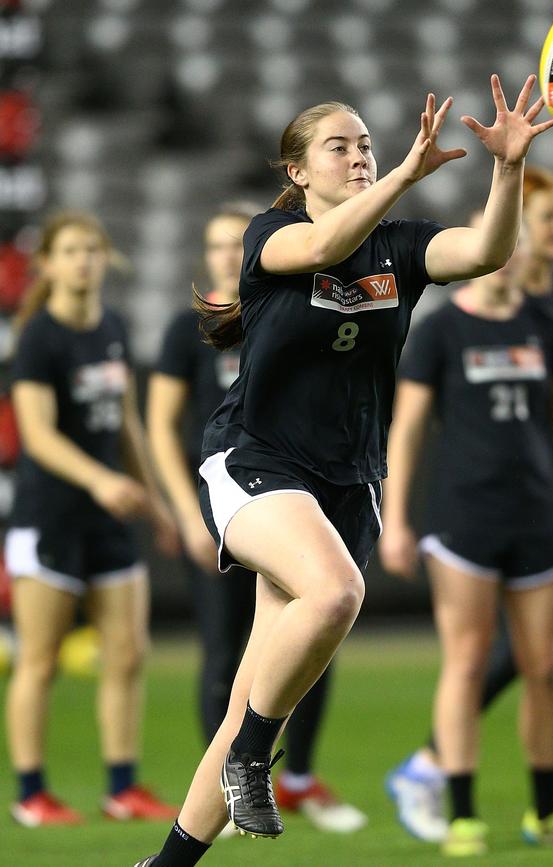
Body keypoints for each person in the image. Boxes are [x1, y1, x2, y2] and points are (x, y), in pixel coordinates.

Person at [134, 72, 553, 867]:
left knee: (248, 698)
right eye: (341, 146)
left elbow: (486, 250)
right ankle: (252, 760)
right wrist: (403, 171)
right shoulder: (270, 233)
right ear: (297, 171)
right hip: (256, 459)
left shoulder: (400, 246)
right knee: (335, 593)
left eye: (366, 144)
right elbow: (325, 246)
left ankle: (165, 862)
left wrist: (508, 169)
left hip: (347, 483)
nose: (359, 155)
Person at [384, 166, 553, 846]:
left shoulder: (544, 323)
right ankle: (462, 810)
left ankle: (546, 808)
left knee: (545, 666)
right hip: (465, 518)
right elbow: (406, 429)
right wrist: (397, 516)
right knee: (466, 663)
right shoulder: (438, 330)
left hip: (539, 516)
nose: (516, 248)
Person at [147, 201, 367, 833]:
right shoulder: (191, 326)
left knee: (308, 635)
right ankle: (240, 767)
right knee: (229, 651)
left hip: (304, 487)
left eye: (231, 242)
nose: (225, 253)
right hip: (239, 490)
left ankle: (283, 773)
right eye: (217, 245)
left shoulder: (294, 305)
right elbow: (162, 423)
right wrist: (189, 512)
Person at [5, 211, 180, 826]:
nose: (84, 260)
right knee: (40, 660)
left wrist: (153, 499)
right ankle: (31, 793)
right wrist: (101, 480)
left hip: (112, 519)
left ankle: (122, 787)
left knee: (129, 652)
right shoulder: (39, 339)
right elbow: (38, 436)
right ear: (48, 264)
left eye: (93, 250)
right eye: (71, 251)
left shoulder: (112, 325)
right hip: (51, 517)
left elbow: (127, 420)